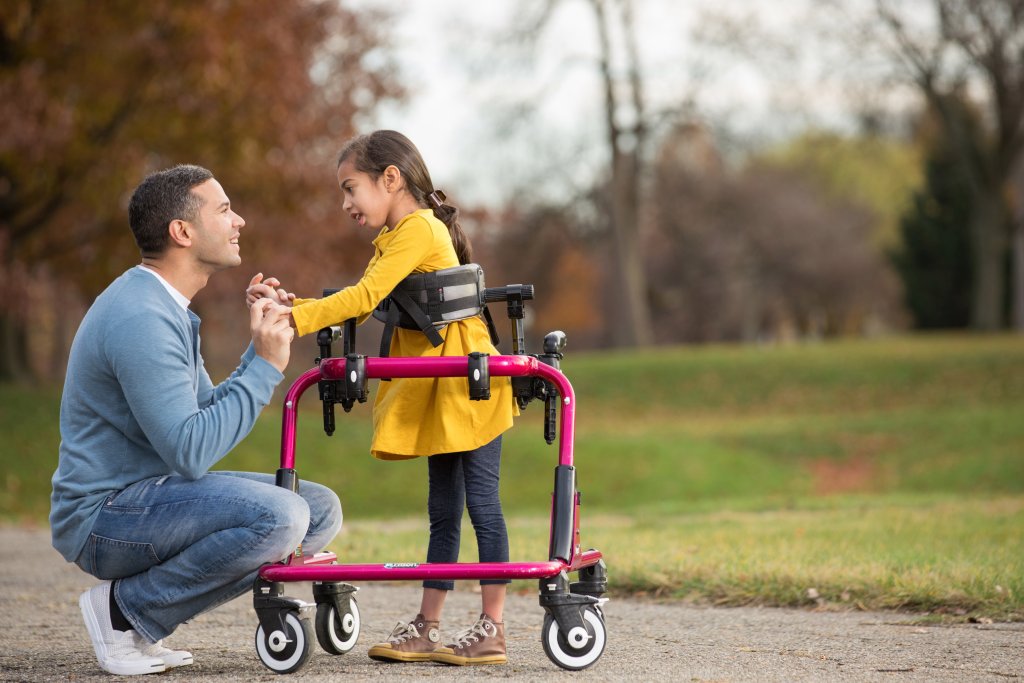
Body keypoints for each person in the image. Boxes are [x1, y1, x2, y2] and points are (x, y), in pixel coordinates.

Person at [49, 164, 343, 677]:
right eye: (225, 209)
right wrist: (269, 367)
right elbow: (192, 451)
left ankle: (134, 611)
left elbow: (204, 420)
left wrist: (258, 355)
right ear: (182, 232)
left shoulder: (166, 307)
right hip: (105, 516)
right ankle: (123, 613)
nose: (240, 221)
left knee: (317, 510)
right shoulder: (140, 317)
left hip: (150, 496)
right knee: (283, 517)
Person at [247, 130, 515, 666]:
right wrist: (288, 303)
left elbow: (364, 298)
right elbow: (360, 303)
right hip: (444, 387)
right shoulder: (397, 237)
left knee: (482, 506)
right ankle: (429, 626)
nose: (346, 204)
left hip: (469, 384)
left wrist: (296, 320)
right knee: (444, 512)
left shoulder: (418, 229)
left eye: (351, 189)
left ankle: (493, 628)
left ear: (390, 179)